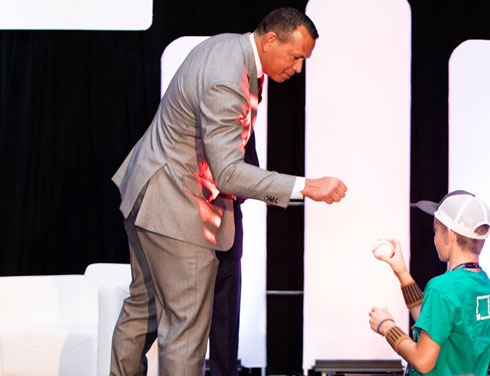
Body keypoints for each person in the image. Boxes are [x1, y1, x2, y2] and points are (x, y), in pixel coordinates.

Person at [110, 7, 347, 375]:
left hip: (147, 191)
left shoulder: (230, 50)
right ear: (271, 40)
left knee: (143, 310)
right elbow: (227, 173)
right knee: (185, 329)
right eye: (297, 57)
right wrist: (306, 186)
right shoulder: (226, 77)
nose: (299, 68)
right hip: (175, 207)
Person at [369, 190, 490, 375]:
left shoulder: (442, 287)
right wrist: (402, 272)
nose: (435, 237)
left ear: (450, 234)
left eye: (436, 230)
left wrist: (386, 326)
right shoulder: (485, 285)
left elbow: (423, 361)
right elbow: (434, 320)